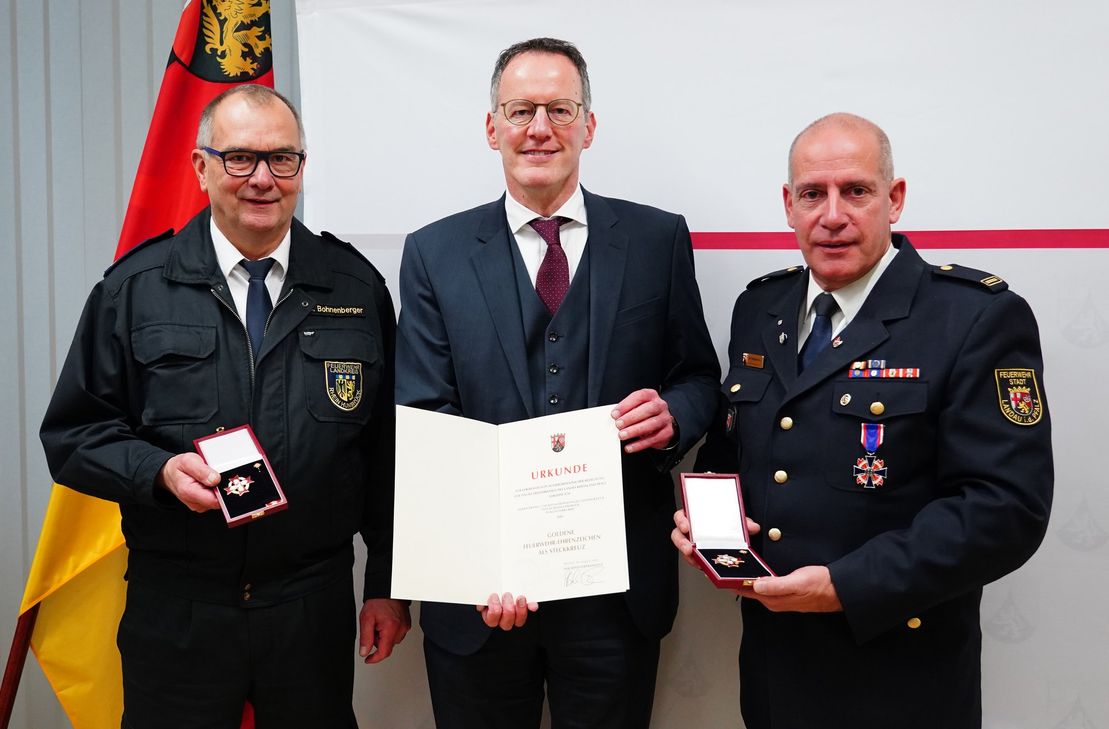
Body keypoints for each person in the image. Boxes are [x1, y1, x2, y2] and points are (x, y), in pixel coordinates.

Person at [40, 85, 409, 729]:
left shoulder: (355, 288)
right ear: (200, 167)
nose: (262, 179)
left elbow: (389, 455)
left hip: (310, 608)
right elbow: (74, 436)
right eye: (239, 158)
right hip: (178, 608)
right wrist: (159, 473)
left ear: (301, 167)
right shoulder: (135, 289)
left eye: (282, 158)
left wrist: (385, 585)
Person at [672, 112, 1053, 729]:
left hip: (902, 678)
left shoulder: (973, 318)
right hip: (774, 671)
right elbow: (732, 451)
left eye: (855, 191)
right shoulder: (760, 308)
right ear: (788, 205)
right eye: (811, 194)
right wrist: (709, 526)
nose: (832, 215)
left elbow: (1006, 510)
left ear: (894, 199)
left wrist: (846, 586)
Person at [396, 38, 719, 729]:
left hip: (616, 596)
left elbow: (697, 376)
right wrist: (476, 564)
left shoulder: (657, 239)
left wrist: (673, 416)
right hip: (481, 598)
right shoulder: (433, 253)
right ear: (492, 128)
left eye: (560, 110)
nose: (539, 128)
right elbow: (425, 414)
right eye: (520, 110)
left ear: (588, 126)